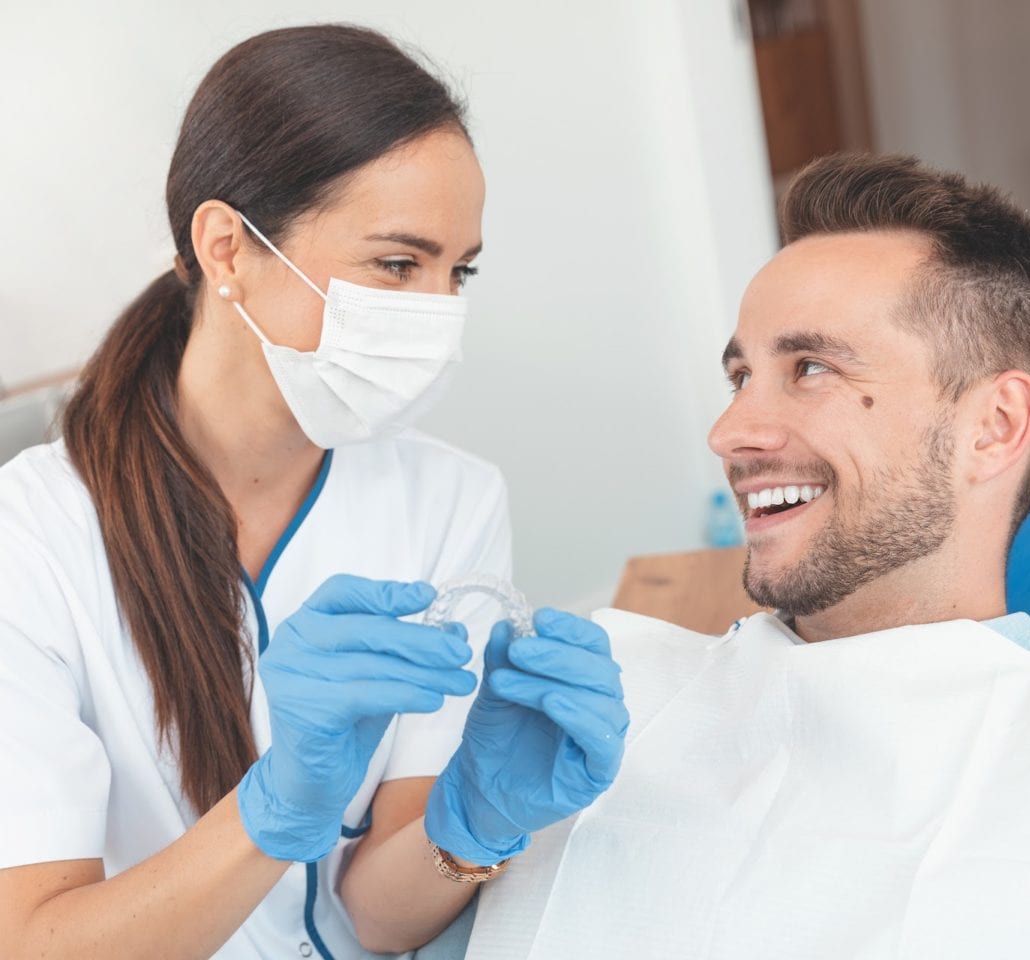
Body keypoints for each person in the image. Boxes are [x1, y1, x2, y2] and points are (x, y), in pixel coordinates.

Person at [461, 154, 1030, 959]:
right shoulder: (606, 718)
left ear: (992, 426)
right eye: (741, 376)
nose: (729, 433)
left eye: (810, 369)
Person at [0, 25, 626, 960]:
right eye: (397, 265)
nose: (437, 315)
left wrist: (472, 826)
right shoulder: (33, 538)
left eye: (460, 272)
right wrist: (274, 807)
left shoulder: (450, 499)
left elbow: (375, 918)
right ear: (227, 248)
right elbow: (33, 941)